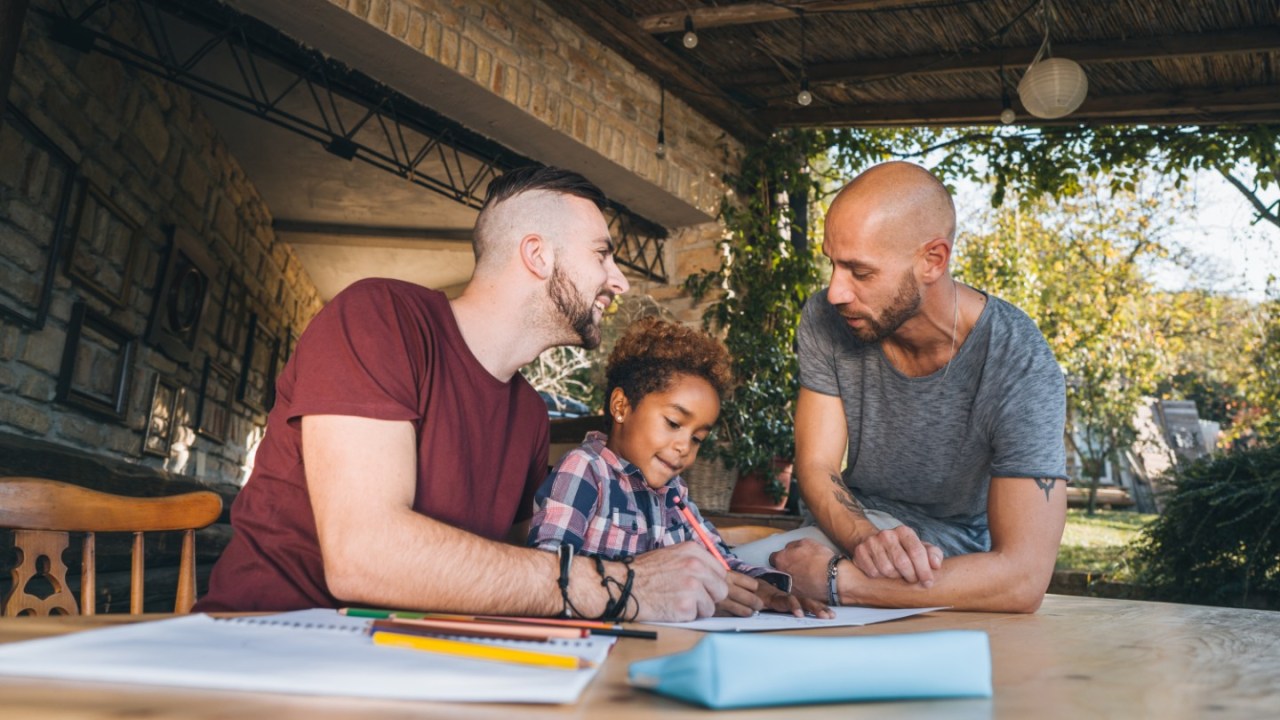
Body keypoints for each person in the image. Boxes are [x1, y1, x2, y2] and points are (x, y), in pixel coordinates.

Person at [196, 167, 729, 620]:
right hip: (269, 646)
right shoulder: (378, 317)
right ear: (537, 256)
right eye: (601, 254)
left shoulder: (527, 414)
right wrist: (617, 586)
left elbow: (509, 569)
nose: (619, 281)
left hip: (415, 662)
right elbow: (364, 556)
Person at [762, 161, 1068, 613]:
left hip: (946, 570)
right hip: (838, 535)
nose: (835, 292)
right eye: (832, 264)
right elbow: (816, 463)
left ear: (933, 260)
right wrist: (865, 539)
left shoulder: (1018, 358)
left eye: (860, 273)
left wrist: (839, 582)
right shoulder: (827, 319)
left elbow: (1023, 578)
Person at [528, 317, 832, 619]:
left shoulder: (675, 496)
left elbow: (721, 562)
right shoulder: (585, 471)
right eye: (673, 423)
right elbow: (550, 567)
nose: (684, 446)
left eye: (698, 438)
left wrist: (766, 591)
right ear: (621, 406)